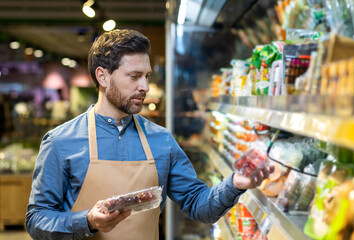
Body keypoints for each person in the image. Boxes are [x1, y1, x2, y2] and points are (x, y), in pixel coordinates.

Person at [26, 29, 273, 240]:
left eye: (146, 77)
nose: (144, 87)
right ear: (103, 76)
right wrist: (88, 221)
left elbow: (199, 206)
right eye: (134, 77)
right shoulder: (60, 141)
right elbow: (37, 220)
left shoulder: (161, 140)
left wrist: (234, 184)